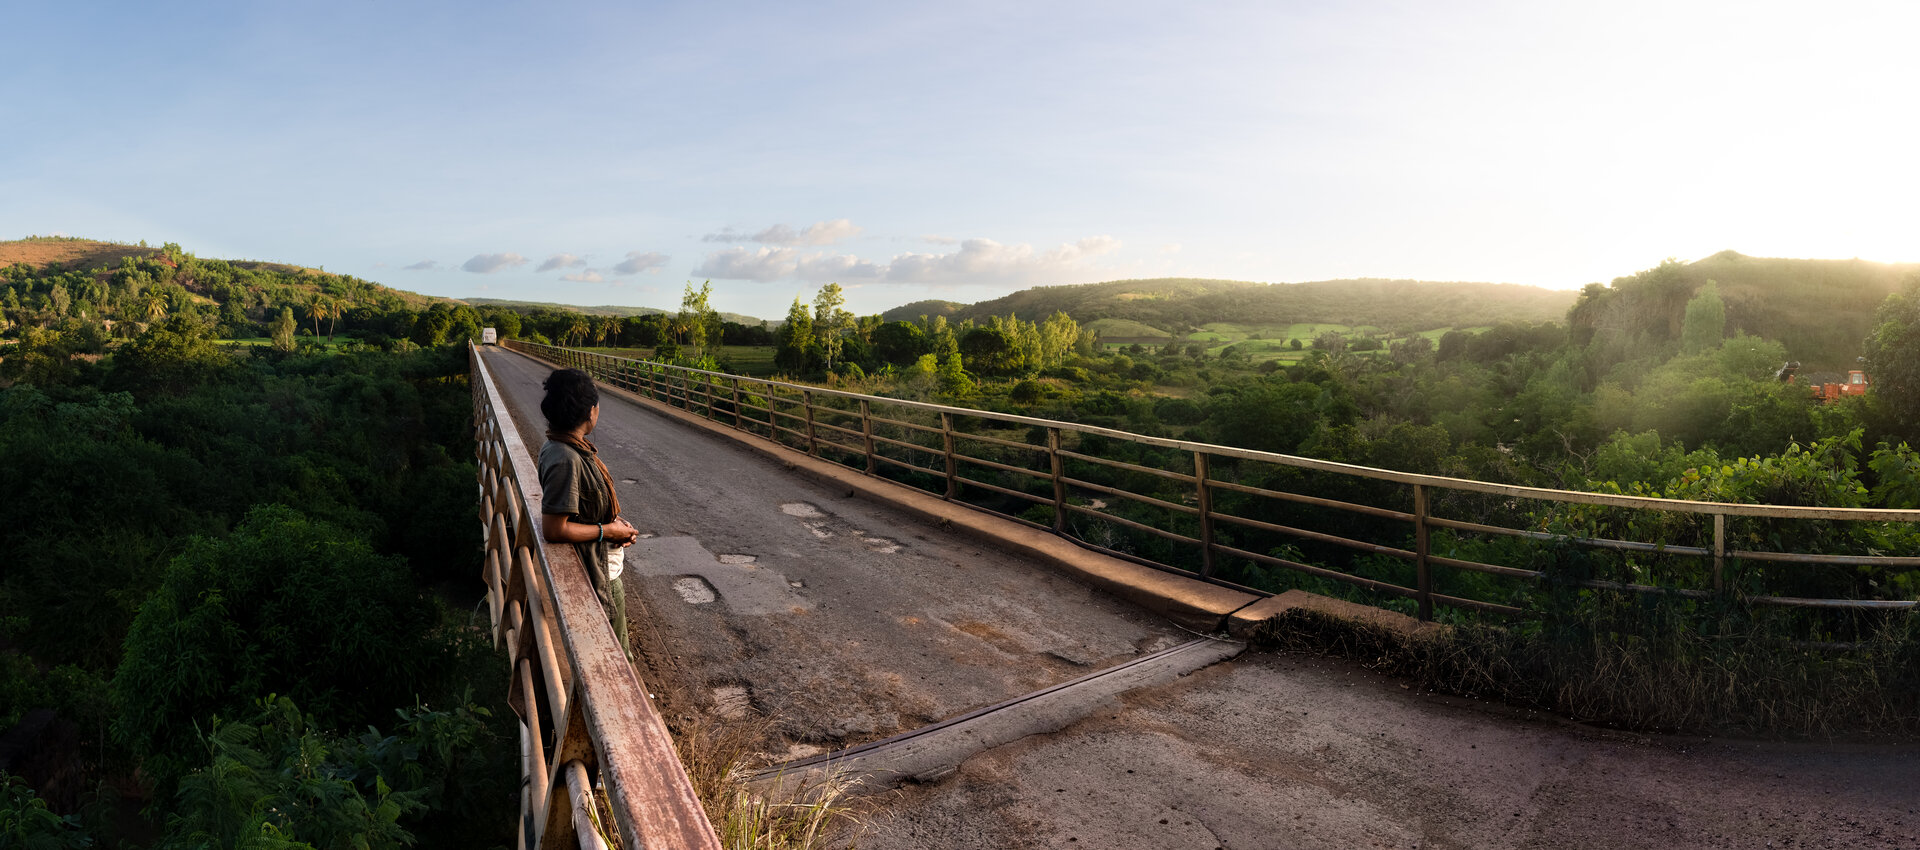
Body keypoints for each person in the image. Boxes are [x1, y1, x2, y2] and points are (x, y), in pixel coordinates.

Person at [537, 368, 639, 658]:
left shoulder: (564, 446)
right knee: (617, 658)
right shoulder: (566, 458)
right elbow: (554, 528)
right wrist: (609, 531)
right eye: (597, 407)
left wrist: (616, 525)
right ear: (590, 411)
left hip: (603, 565)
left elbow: (583, 507)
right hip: (599, 576)